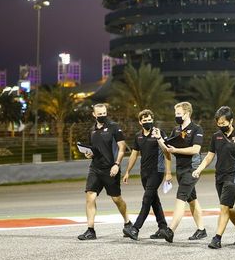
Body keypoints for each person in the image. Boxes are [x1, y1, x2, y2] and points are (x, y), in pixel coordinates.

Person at [192, 106, 235, 249]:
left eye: (223, 123)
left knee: (224, 207)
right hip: (219, 175)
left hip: (233, 174)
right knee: (229, 207)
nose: (221, 126)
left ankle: (217, 238)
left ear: (231, 121)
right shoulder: (216, 136)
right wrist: (199, 169)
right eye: (218, 123)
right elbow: (209, 157)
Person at [78, 103, 132, 241]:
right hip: (95, 168)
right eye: (99, 114)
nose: (102, 116)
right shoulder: (92, 130)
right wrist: (89, 154)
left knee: (116, 199)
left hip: (111, 168)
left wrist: (117, 164)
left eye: (104, 113)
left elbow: (122, 147)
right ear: (94, 114)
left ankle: (127, 223)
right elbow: (94, 149)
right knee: (90, 196)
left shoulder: (114, 127)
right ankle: (90, 230)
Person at [155, 101, 206, 243]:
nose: (176, 116)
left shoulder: (197, 129)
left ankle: (170, 230)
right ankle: (201, 230)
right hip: (181, 169)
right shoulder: (176, 130)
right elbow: (166, 149)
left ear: (187, 114)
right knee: (192, 199)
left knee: (181, 197)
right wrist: (159, 138)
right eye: (175, 114)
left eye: (178, 114)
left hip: (193, 168)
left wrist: (176, 150)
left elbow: (196, 149)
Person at [122, 109, 173, 240]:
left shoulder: (159, 133)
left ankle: (135, 228)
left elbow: (167, 153)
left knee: (146, 200)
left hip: (157, 171)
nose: (147, 122)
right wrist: (127, 171)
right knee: (154, 200)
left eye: (149, 119)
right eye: (144, 120)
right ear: (140, 122)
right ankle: (163, 228)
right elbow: (134, 154)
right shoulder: (138, 135)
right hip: (144, 173)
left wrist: (168, 172)